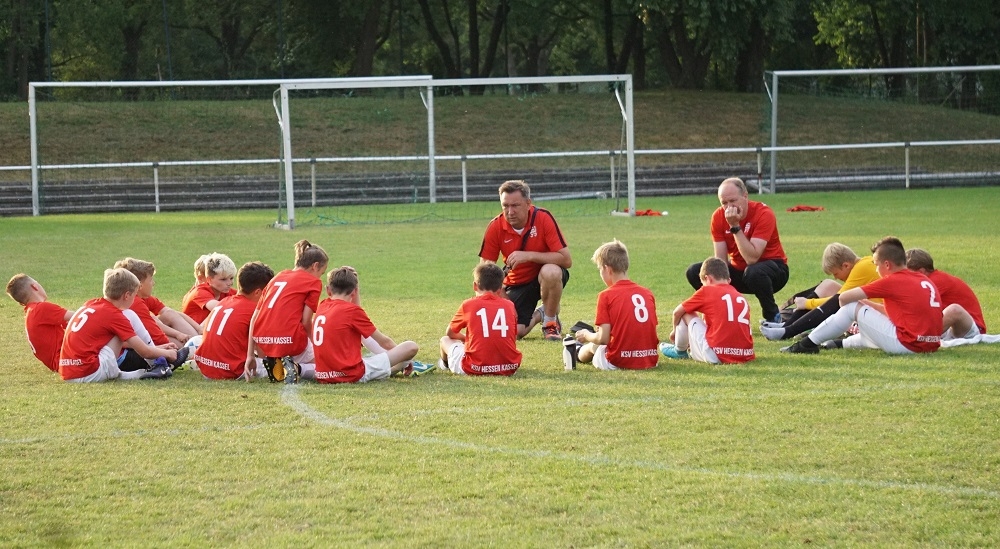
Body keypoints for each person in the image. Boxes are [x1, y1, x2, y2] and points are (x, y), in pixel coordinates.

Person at [783, 236, 943, 355]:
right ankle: (839, 344)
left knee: (852, 307)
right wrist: (866, 304)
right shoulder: (921, 278)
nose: (876, 270)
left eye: (876, 265)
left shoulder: (892, 280)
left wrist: (854, 310)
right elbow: (892, 313)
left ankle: (806, 344)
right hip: (931, 344)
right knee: (869, 318)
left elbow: (843, 298)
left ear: (887, 264)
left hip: (909, 345)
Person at [685, 177, 788, 323]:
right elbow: (720, 262)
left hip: (772, 271)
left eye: (733, 201)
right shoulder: (718, 216)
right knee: (695, 271)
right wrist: (718, 281)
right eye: (724, 203)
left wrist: (735, 227)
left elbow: (752, 258)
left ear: (745, 196)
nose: (729, 207)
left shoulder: (763, 213)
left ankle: (772, 316)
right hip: (739, 270)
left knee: (754, 272)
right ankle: (719, 313)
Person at [479, 179, 572, 341]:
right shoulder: (495, 227)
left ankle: (550, 323)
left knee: (551, 271)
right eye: (505, 206)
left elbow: (566, 260)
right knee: (515, 332)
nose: (510, 211)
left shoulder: (543, 218)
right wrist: (505, 302)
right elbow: (484, 274)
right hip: (517, 283)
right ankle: (541, 313)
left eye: (515, 205)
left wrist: (529, 255)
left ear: (528, 203)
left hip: (545, 276)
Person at [58, 268, 179, 382]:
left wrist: (157, 349)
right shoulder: (113, 314)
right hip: (88, 372)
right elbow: (144, 352)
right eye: (134, 295)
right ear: (127, 295)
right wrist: (168, 353)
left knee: (120, 325)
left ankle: (144, 370)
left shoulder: (90, 304)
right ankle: (158, 363)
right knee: (129, 314)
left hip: (68, 372)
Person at [312, 266, 427, 383]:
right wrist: (405, 360)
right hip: (350, 374)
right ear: (354, 291)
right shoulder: (351, 311)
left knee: (360, 336)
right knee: (411, 346)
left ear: (328, 290)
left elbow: (352, 314)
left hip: (323, 374)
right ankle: (394, 369)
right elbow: (385, 342)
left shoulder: (323, 305)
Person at [760, 243, 879, 341]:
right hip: (866, 310)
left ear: (846, 265)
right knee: (828, 285)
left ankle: (788, 331)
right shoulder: (864, 262)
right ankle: (787, 325)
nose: (836, 278)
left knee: (839, 299)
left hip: (872, 318)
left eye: (836, 273)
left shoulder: (861, 269)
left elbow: (837, 300)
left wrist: (807, 303)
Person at [246, 240, 327, 383]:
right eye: (321, 272)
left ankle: (272, 364)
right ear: (315, 266)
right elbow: (306, 321)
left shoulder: (277, 277)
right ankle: (297, 367)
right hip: (290, 342)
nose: (319, 276)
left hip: (264, 342)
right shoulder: (313, 282)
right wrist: (317, 345)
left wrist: (250, 356)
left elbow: (254, 318)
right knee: (327, 366)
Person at [572, 240, 659, 370]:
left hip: (618, 362)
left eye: (600, 269)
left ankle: (577, 352)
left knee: (594, 346)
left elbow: (603, 339)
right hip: (650, 359)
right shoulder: (647, 293)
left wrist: (586, 335)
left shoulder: (606, 295)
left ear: (607, 269)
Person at [661, 257, 755, 364]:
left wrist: (674, 332)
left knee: (687, 313)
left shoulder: (708, 290)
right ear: (729, 280)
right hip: (745, 354)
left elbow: (677, 312)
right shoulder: (740, 296)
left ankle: (679, 350)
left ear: (708, 279)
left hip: (717, 355)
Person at [194, 261, 275, 380]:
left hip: (205, 367)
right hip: (231, 370)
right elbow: (263, 353)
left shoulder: (224, 301)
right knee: (281, 364)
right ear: (258, 292)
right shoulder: (254, 310)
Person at [438, 263, 522, 376]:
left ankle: (445, 365)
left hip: (474, 367)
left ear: (475, 285)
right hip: (509, 367)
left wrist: (464, 339)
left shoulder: (468, 304)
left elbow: (450, 332)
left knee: (445, 340)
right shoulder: (510, 305)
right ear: (499, 289)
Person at [114, 257, 196, 350]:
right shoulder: (135, 303)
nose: (153, 283)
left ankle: (199, 343)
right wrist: (174, 349)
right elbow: (157, 337)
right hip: (134, 348)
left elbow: (168, 313)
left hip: (136, 341)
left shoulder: (142, 297)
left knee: (167, 315)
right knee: (189, 348)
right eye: (150, 280)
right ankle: (199, 348)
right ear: (139, 285)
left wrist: (181, 333)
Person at [905, 248, 986, 339]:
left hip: (971, 327)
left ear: (921, 272)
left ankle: (919, 337)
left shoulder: (935, 281)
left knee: (954, 310)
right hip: (952, 328)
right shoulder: (931, 280)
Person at [6, 274, 74, 373]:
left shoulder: (31, 313)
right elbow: (82, 316)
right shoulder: (40, 309)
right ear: (35, 286)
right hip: (70, 361)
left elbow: (71, 324)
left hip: (64, 365)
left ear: (21, 303)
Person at [181, 252, 237, 325]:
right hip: (192, 330)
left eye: (231, 278)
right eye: (223, 279)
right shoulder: (199, 292)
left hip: (206, 330)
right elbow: (219, 308)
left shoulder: (227, 291)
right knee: (216, 313)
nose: (230, 283)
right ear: (209, 279)